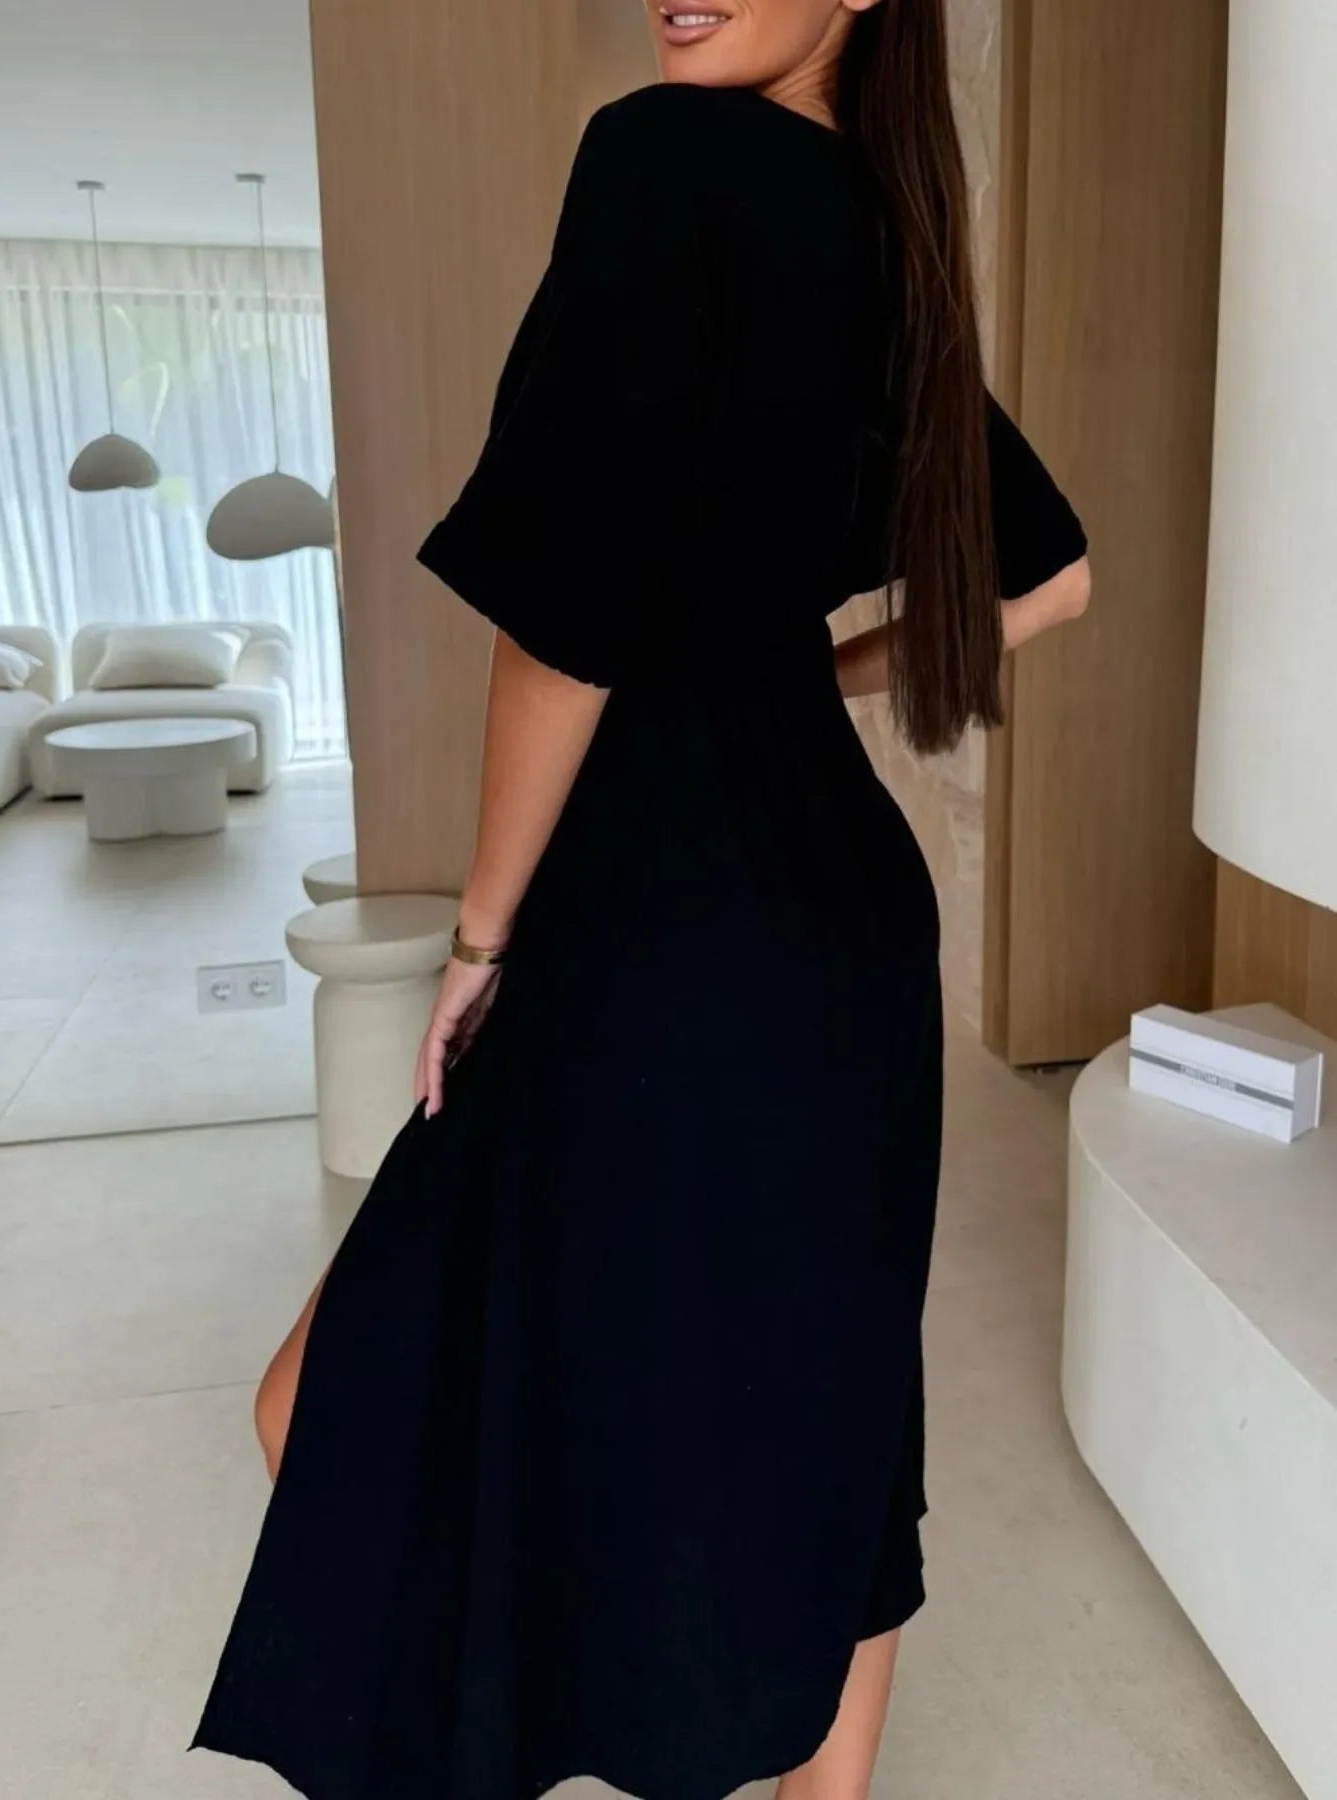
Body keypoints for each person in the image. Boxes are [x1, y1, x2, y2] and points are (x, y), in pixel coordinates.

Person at [192, 3, 1091, 1797]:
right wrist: (790, 674)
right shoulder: (888, 236)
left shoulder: (665, 160)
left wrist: (478, 937)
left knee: (333, 1395)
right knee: (834, 1391)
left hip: (658, 917)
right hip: (837, 926)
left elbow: (569, 619)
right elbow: (1049, 583)